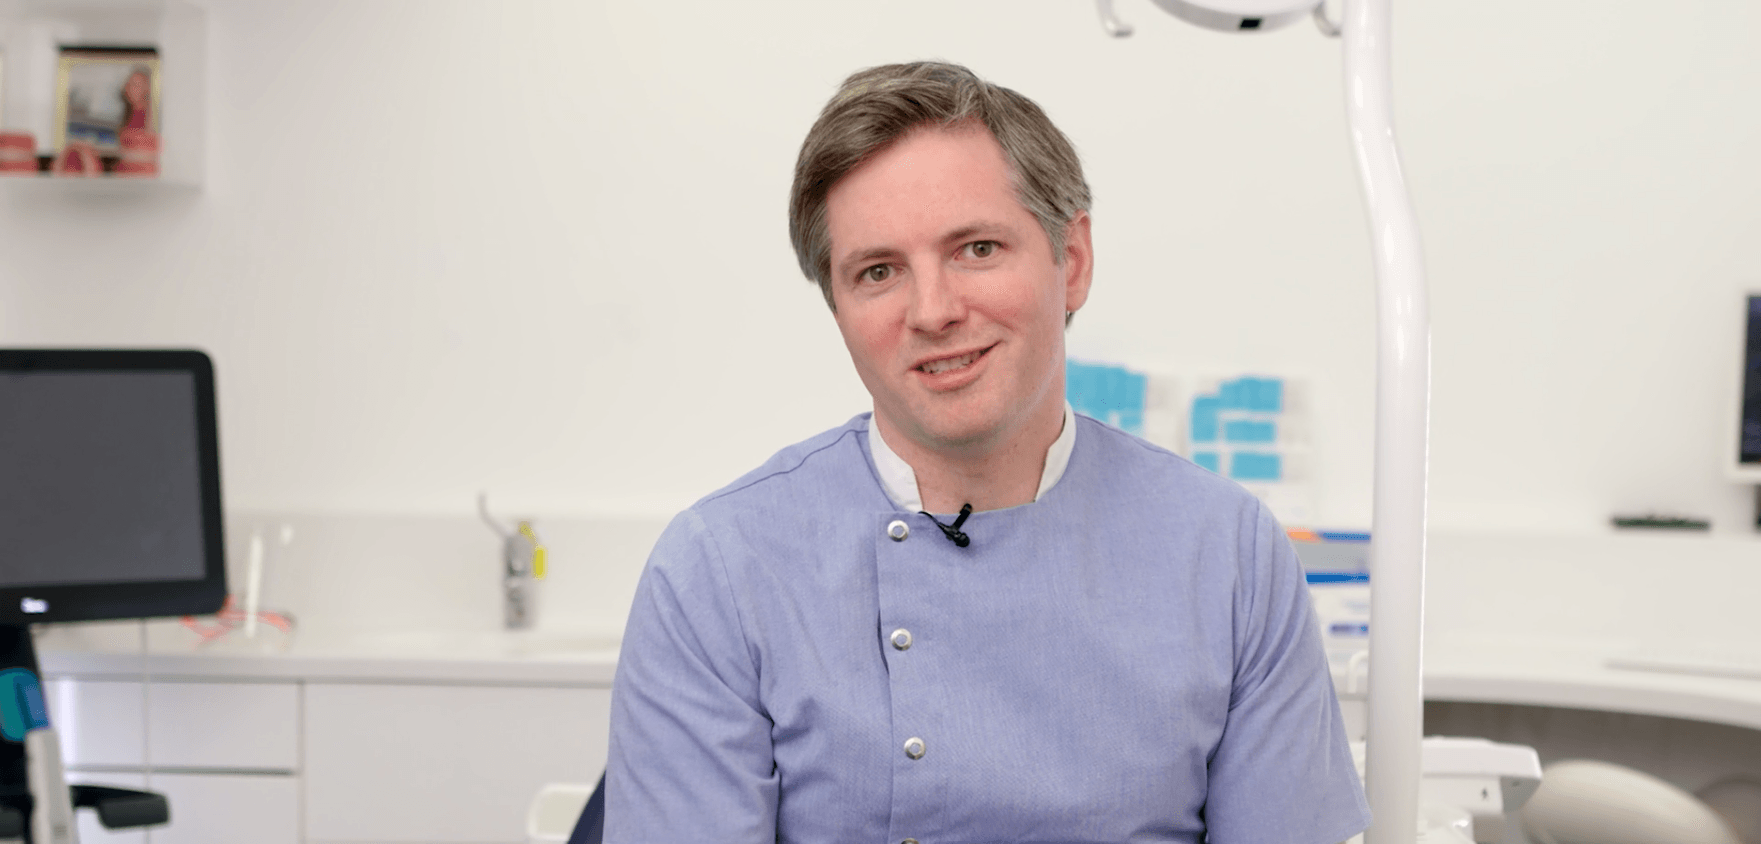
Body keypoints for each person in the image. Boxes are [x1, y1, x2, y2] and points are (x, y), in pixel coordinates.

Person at [604, 60, 1369, 843]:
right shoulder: (719, 571)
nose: (933, 311)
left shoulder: (1227, 555)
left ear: (1069, 262)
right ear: (837, 308)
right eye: (878, 272)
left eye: (975, 249)